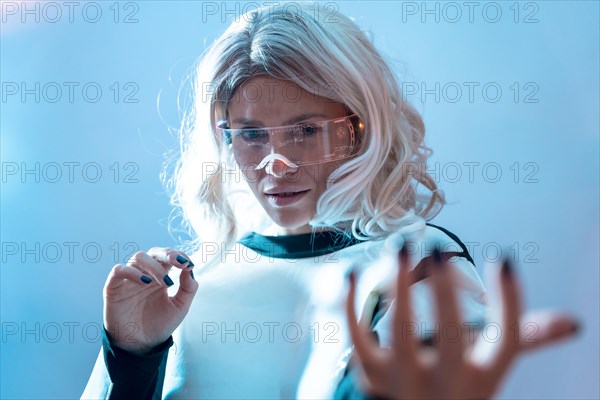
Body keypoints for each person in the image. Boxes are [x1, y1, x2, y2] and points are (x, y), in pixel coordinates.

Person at [81, 3, 578, 399]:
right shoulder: (190, 282)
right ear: (222, 137)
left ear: (362, 128)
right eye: (252, 134)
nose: (277, 162)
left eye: (306, 131)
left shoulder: (414, 262)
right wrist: (130, 354)